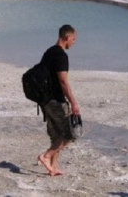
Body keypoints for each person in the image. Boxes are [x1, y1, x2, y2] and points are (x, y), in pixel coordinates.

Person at [37, 24, 80, 176]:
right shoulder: (61, 56)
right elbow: (63, 81)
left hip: (45, 100)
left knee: (56, 134)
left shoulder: (48, 52)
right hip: (56, 100)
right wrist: (73, 102)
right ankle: (46, 156)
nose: (74, 42)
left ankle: (53, 168)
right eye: (73, 39)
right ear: (67, 37)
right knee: (70, 134)